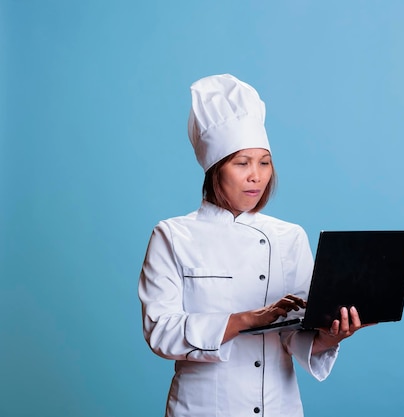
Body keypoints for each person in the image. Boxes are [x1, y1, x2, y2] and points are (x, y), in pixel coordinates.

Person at [138, 74, 366, 417]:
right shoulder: (172, 235)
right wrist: (245, 319)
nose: (256, 176)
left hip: (279, 407)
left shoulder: (289, 237)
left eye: (264, 162)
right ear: (216, 169)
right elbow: (161, 331)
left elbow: (296, 336)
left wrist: (333, 335)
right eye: (242, 163)